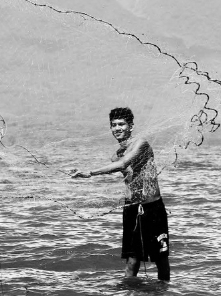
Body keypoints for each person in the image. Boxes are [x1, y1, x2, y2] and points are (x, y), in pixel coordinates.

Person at [71, 107, 170, 281]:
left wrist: (90, 173)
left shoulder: (141, 144)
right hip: (131, 207)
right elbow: (120, 168)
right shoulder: (116, 155)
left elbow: (124, 164)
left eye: (121, 124)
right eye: (113, 125)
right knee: (132, 261)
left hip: (152, 208)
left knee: (160, 259)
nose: (117, 128)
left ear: (131, 126)